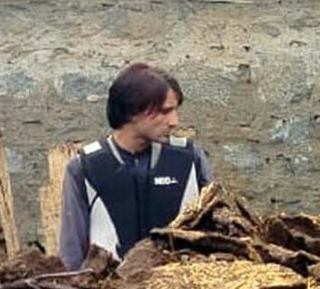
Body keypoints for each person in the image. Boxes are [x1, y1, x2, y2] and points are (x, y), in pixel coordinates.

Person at [57, 62, 212, 269]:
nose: (174, 121)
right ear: (134, 111)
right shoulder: (85, 169)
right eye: (165, 111)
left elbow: (219, 238)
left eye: (175, 110)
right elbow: (71, 256)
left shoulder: (190, 160)